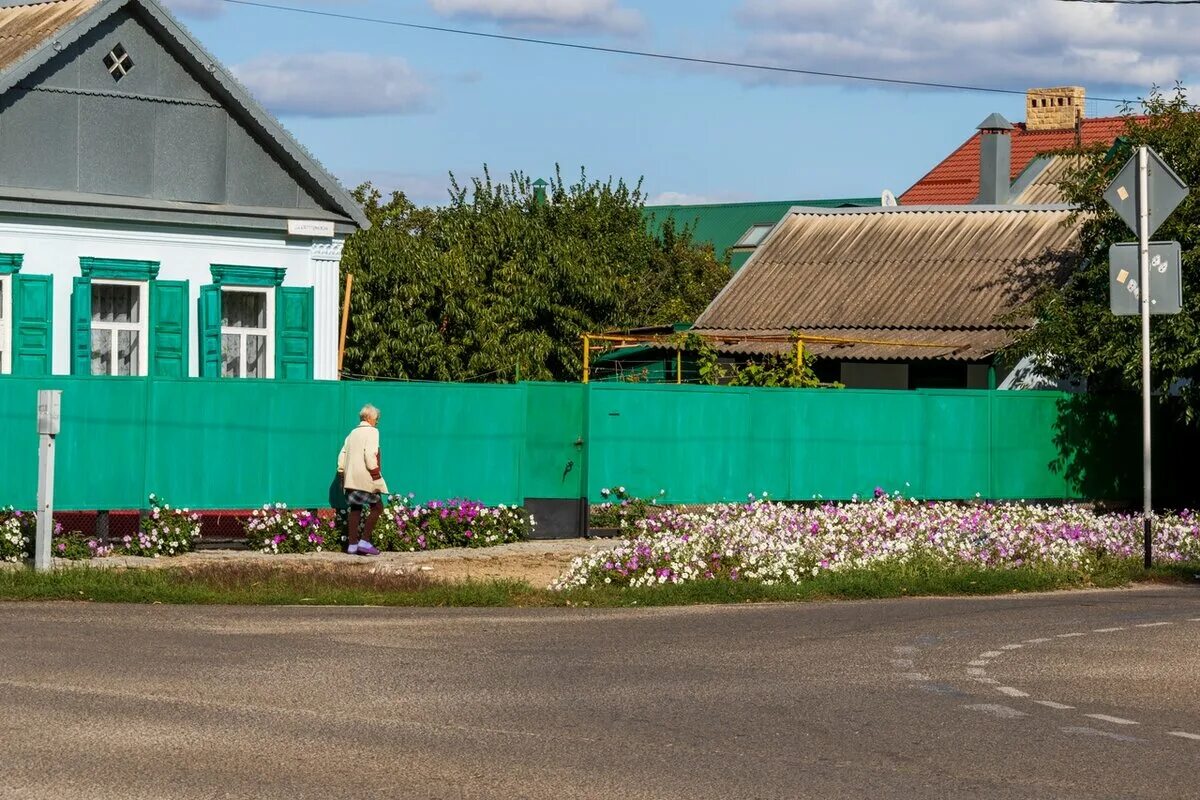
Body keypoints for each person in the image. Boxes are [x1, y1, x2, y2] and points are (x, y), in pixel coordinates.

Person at [336, 404, 387, 555]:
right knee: (377, 508)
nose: (377, 422)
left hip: (351, 477)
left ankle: (352, 545)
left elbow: (342, 454)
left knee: (355, 508)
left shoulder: (352, 433)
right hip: (366, 477)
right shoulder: (372, 432)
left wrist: (341, 472)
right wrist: (376, 473)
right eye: (376, 419)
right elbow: (370, 454)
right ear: (369, 418)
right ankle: (364, 541)